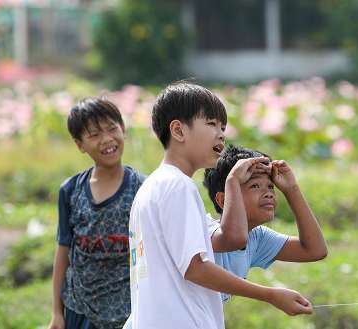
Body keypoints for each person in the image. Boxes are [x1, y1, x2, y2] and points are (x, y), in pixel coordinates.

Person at [127, 82, 312, 329]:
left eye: (223, 127)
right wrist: (270, 295)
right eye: (211, 124)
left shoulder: (150, 189)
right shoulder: (179, 186)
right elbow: (195, 268)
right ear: (179, 131)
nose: (221, 134)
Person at [49, 98, 145, 329]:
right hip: (79, 310)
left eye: (112, 128)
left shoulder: (143, 189)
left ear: (123, 128)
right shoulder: (71, 190)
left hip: (129, 312)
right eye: (94, 135)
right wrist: (56, 313)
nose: (107, 140)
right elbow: (63, 252)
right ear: (79, 144)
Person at [203, 144, 328, 302]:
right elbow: (233, 239)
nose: (268, 193)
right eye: (255, 186)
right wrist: (233, 179)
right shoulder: (204, 230)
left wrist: (291, 189)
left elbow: (314, 250)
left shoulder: (256, 237)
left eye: (270, 186)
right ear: (223, 200)